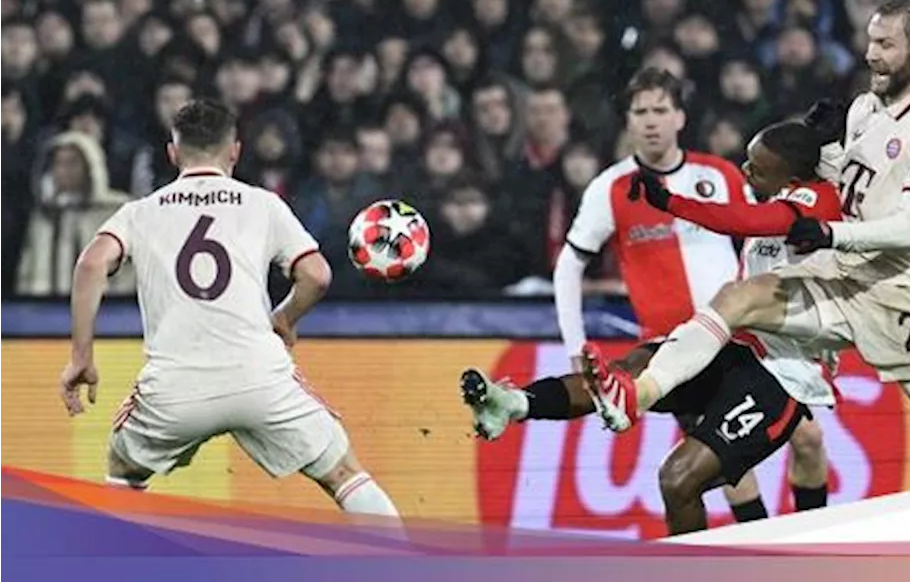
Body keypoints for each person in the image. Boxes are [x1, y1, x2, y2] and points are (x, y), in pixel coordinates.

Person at [582, 0, 910, 480]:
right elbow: (851, 184)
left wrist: (830, 232)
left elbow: (908, 227)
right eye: (870, 40)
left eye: (886, 44)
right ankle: (637, 395)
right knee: (740, 297)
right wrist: (826, 150)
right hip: (844, 280)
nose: (871, 54)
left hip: (904, 299)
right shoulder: (866, 108)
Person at [460, 68, 833, 524]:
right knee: (726, 475)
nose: (651, 121)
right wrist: (574, 343)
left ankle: (808, 548)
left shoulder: (720, 174)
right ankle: (517, 404)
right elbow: (570, 265)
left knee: (807, 443)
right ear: (628, 122)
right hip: (679, 349)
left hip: (748, 341)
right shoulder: (612, 187)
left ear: (680, 116)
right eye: (641, 112)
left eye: (661, 109)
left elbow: (773, 226)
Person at [58, 98, 401, 524]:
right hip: (258, 377)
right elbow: (316, 275)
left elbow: (91, 265)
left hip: (175, 388)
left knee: (123, 470)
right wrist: (285, 319)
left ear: (172, 153)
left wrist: (81, 356)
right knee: (345, 475)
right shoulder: (264, 204)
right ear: (235, 151)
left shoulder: (140, 212)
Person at [625, 119, 845, 532]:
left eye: (756, 167)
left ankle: (808, 543)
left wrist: (673, 203)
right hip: (721, 336)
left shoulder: (796, 197)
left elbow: (746, 220)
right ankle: (761, 548)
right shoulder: (752, 190)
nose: (745, 172)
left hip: (785, 348)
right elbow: (745, 219)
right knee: (723, 461)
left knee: (808, 442)